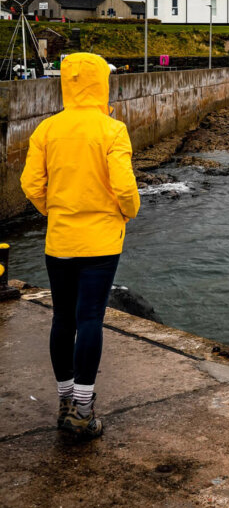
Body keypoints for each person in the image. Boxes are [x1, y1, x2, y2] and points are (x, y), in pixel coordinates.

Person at [21, 52, 140, 439]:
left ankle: (64, 401)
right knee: (90, 319)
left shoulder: (47, 129)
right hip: (101, 242)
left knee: (62, 318)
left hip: (60, 239)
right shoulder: (112, 130)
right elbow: (124, 187)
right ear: (101, 84)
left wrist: (53, 208)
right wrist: (127, 213)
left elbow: (30, 184)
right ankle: (84, 411)